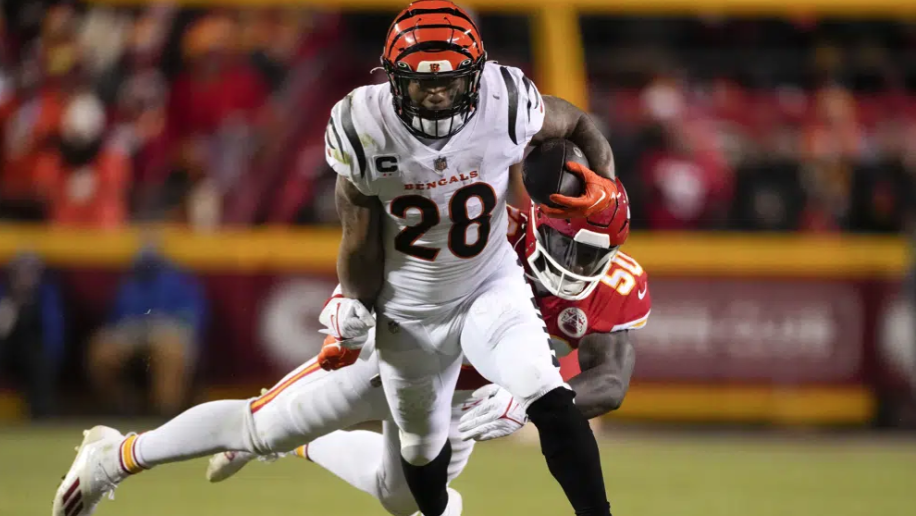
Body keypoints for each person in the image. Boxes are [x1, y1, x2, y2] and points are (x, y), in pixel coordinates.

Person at [52, 3, 619, 515]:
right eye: (423, 86)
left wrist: (608, 193)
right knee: (295, 439)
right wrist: (352, 298)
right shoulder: (363, 126)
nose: (438, 96)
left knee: (539, 391)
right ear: (392, 79)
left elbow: (578, 126)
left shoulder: (509, 105)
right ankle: (119, 455)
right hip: (408, 316)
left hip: (486, 290)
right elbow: (359, 233)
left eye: (449, 82)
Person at [203, 195, 649, 516]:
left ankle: (298, 438)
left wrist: (529, 407)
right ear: (539, 223)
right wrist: (350, 301)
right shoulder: (492, 236)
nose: (575, 260)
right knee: (282, 415)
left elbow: (609, 382)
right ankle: (260, 430)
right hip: (407, 349)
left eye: (593, 253)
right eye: (565, 242)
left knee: (401, 499)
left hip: (465, 395)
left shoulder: (611, 286)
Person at [86, 247, 207, 417]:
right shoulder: (129, 284)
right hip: (134, 336)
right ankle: (119, 409)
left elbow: (192, 322)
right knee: (102, 349)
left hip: (168, 335)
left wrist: (159, 328)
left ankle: (164, 415)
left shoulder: (181, 282)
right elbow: (115, 321)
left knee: (169, 349)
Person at [0, 253, 65, 419]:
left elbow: (53, 330)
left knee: (40, 363)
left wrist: (53, 354)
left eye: (30, 271)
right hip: (6, 347)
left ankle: (41, 413)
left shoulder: (46, 295)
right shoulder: (4, 294)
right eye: (21, 272)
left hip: (34, 350)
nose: (26, 277)